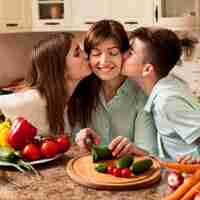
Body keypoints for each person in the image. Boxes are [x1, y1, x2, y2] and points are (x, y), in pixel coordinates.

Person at [68, 20, 158, 157]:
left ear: (124, 54)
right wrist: (79, 140)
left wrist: (133, 149)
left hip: (126, 174)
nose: (104, 61)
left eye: (113, 52)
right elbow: (72, 147)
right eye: (96, 53)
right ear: (88, 56)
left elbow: (150, 154)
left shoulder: (141, 94)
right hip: (88, 171)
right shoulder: (80, 91)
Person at [122, 26, 200, 161]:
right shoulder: (166, 87)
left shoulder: (167, 101)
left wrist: (197, 156)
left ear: (147, 69)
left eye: (130, 53)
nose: (123, 55)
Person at [0, 33, 91, 135]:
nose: (87, 55)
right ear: (59, 68)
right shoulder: (35, 99)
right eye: (77, 54)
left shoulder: (72, 100)